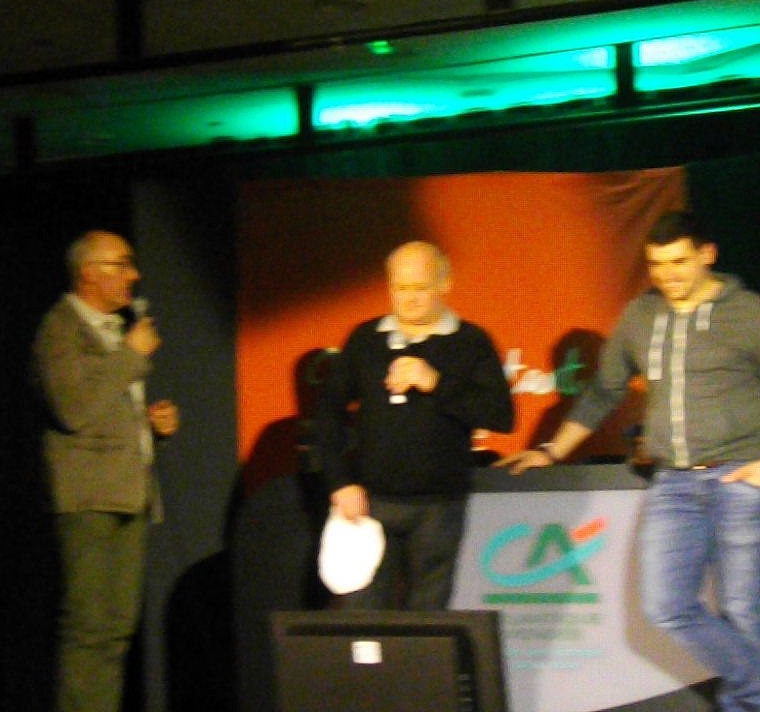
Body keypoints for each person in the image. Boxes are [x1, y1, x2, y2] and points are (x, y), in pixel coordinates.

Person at [499, 211, 760, 712]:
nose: (668, 275)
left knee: (745, 612)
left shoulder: (747, 312)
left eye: (679, 261)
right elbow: (604, 390)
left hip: (739, 479)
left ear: (708, 255)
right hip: (673, 485)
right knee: (665, 607)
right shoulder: (641, 316)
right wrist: (553, 449)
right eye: (657, 265)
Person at [320, 240, 512, 610]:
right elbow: (329, 411)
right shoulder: (365, 340)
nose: (409, 299)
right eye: (400, 288)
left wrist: (435, 383)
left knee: (427, 624)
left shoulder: (469, 342)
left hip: (438, 508)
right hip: (370, 504)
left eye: (420, 288)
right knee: (361, 619)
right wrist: (340, 482)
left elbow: (501, 415)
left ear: (444, 284)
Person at [32, 230, 180, 712]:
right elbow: (73, 408)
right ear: (89, 272)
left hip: (128, 494)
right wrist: (133, 355)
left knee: (116, 634)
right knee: (88, 631)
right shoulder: (60, 330)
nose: (133, 275)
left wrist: (153, 426)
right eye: (122, 264)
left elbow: (105, 407)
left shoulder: (114, 330)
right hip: (88, 500)